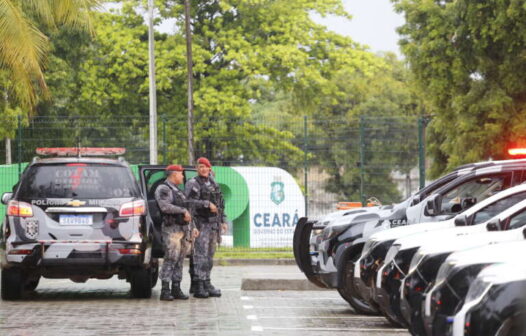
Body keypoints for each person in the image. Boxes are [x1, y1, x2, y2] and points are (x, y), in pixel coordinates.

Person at [185, 157, 227, 298]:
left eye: (206, 167)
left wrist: (223, 220)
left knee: (209, 256)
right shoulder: (192, 183)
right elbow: (188, 201)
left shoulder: (213, 183)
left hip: (213, 224)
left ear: (210, 168)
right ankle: (198, 284)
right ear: (197, 168)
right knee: (200, 255)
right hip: (200, 223)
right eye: (200, 166)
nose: (203, 169)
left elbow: (220, 202)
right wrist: (206, 204)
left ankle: (207, 282)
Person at [155, 164, 198, 301]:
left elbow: (188, 210)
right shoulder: (163, 188)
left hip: (184, 229)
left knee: (180, 260)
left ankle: (176, 287)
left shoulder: (178, 191)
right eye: (181, 174)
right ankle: (165, 289)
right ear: (174, 174)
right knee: (171, 258)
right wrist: (182, 211)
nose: (183, 176)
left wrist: (193, 226)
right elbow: (164, 206)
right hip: (171, 229)